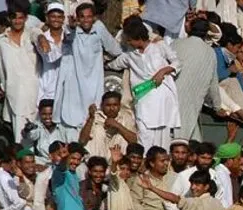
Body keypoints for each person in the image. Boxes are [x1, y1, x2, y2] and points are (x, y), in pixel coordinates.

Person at [107, 17, 180, 152]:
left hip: (162, 99)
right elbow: (113, 64)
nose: (128, 42)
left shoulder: (159, 46)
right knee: (144, 134)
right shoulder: (130, 55)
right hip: (144, 100)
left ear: (139, 38)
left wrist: (162, 71)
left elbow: (176, 63)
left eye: (130, 39)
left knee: (163, 136)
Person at [53, 2, 122, 141]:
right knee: (73, 116)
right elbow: (68, 37)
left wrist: (105, 58)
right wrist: (72, 27)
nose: (86, 20)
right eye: (82, 17)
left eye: (89, 17)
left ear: (94, 17)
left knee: (94, 116)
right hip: (75, 81)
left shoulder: (99, 28)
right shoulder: (71, 29)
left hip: (94, 80)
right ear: (77, 18)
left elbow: (115, 50)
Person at [171, 19, 222, 141]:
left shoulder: (175, 43)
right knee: (181, 142)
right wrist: (217, 107)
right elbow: (213, 84)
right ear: (206, 34)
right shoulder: (210, 53)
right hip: (190, 104)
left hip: (169, 97)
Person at [0, 5, 39, 143]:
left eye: (21, 18)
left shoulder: (32, 34)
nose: (17, 21)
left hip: (36, 91)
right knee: (21, 138)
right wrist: (6, 88)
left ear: (26, 18)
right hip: (15, 94)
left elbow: (41, 35)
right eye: (14, 18)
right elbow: (1, 69)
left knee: (39, 134)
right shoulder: (0, 40)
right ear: (9, 19)